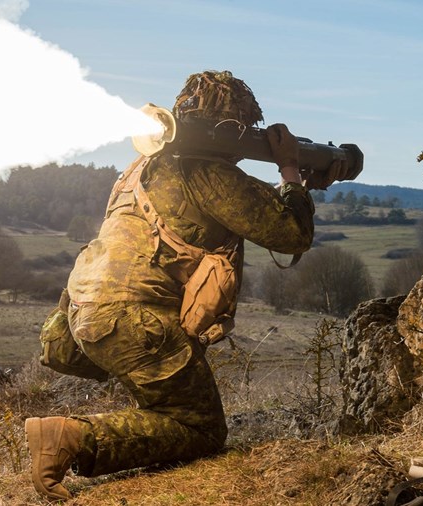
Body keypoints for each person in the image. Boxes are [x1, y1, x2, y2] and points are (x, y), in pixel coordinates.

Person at [26, 70, 341, 500]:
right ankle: (71, 438)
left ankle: (98, 435)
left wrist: (299, 182)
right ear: (237, 127)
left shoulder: (140, 168)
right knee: (201, 427)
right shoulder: (207, 172)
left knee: (168, 402)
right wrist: (289, 169)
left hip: (82, 316)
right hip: (132, 320)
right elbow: (291, 234)